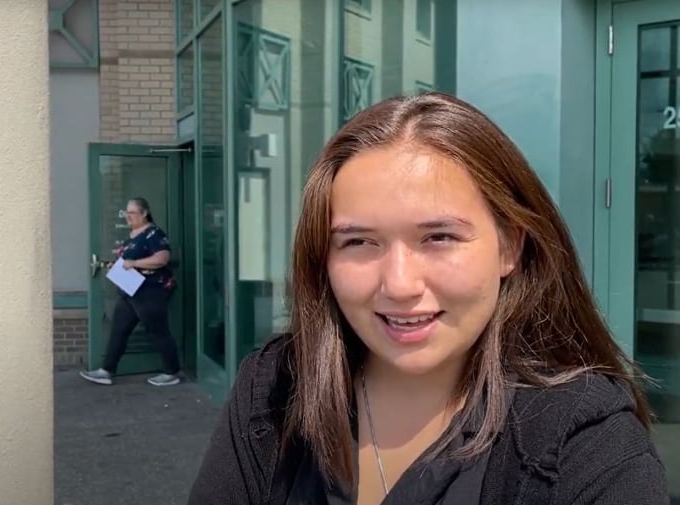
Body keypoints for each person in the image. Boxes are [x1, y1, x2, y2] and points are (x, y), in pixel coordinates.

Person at [187, 93, 669, 504]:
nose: (398, 284)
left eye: (438, 237)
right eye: (358, 242)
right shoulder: (274, 388)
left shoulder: (585, 444)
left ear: (509, 248)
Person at [80, 197, 181, 387]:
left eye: (132, 212)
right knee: (118, 330)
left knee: (159, 332)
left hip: (150, 291)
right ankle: (106, 371)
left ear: (144, 213)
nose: (128, 216)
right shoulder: (132, 237)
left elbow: (162, 258)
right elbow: (127, 263)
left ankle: (172, 372)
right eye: (127, 212)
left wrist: (134, 263)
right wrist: (116, 266)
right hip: (130, 291)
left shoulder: (154, 234)